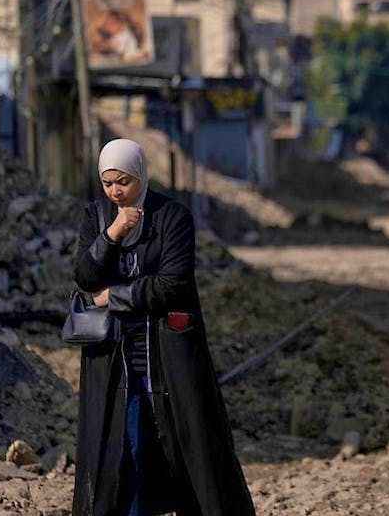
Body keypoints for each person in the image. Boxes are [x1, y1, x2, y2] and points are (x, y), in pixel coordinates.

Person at [71, 138, 255, 516]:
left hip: (168, 353)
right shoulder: (97, 216)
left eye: (123, 181)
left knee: (188, 444)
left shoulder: (172, 216)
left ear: (140, 174)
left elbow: (172, 284)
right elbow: (86, 277)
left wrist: (114, 297)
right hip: (115, 356)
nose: (115, 191)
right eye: (107, 183)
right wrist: (113, 235)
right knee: (126, 448)